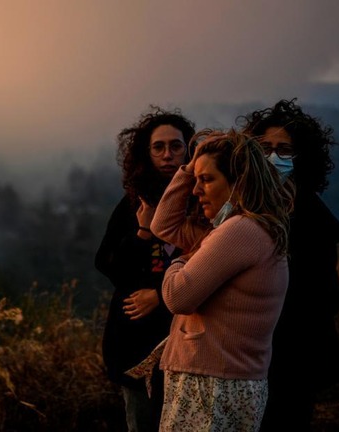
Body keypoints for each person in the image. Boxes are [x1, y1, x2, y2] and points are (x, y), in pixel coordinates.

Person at [150, 130, 294, 431]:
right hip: (225, 380)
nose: (194, 189)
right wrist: (191, 168)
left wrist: (184, 259)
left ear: (237, 183)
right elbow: (162, 224)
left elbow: (178, 297)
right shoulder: (244, 228)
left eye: (206, 180)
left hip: (212, 384)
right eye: (195, 180)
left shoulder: (239, 231)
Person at [239, 99, 339, 432]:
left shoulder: (313, 218)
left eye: (284, 149)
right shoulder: (248, 208)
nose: (273, 156)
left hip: (295, 356)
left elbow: (328, 295)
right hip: (252, 355)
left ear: (303, 158)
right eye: (265, 147)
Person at [95, 106, 196, 432]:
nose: (167, 155)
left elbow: (209, 267)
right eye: (158, 147)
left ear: (189, 149)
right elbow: (108, 265)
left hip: (184, 337)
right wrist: (142, 231)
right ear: (146, 153)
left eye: (176, 146)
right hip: (133, 340)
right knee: (140, 421)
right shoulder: (134, 203)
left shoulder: (200, 199)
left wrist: (160, 296)